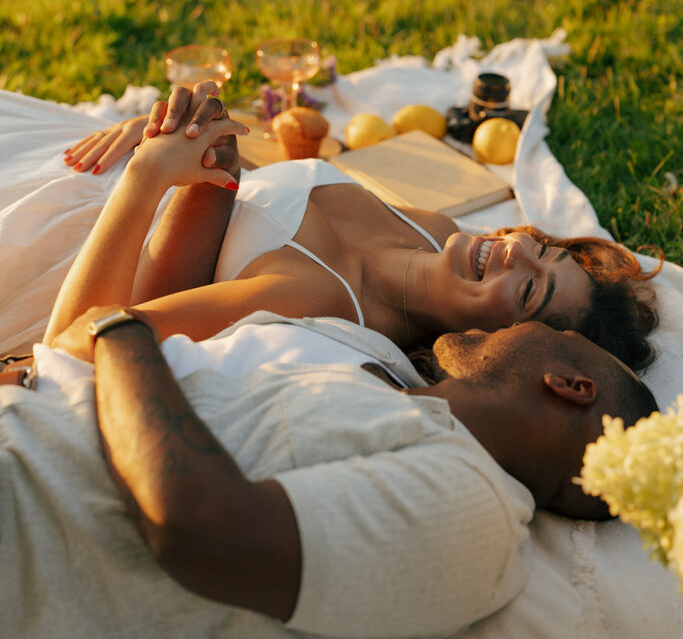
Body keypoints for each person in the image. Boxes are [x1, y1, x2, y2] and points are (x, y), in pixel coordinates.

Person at [0, 301, 657, 639]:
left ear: (569, 385)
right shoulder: (379, 376)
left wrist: (119, 333)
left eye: (555, 334)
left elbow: (197, 524)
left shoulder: (470, 513)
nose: (523, 321)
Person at [43, 82, 659, 371]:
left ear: (499, 342)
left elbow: (78, 342)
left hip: (64, 244)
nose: (519, 245)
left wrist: (147, 178)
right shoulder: (433, 226)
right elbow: (261, 199)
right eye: (545, 248)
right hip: (88, 170)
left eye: (529, 288)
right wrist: (200, 141)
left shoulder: (314, 300)